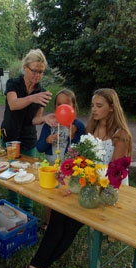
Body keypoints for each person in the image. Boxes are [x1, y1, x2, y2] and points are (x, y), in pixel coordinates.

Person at [5, 88, 133, 268]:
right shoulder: (91, 128)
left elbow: (114, 176)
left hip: (106, 194)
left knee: (69, 223)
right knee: (58, 215)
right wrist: (72, 177)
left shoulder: (121, 136)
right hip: (87, 185)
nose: (94, 110)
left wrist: (83, 180)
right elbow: (80, 159)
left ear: (111, 108)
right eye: (92, 105)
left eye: (99, 106)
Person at [0, 49, 55, 213]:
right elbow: (13, 104)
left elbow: (34, 119)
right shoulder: (13, 84)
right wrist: (32, 98)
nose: (38, 75)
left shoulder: (42, 92)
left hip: (28, 139)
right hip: (10, 136)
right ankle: (12, 207)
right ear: (25, 68)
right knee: (11, 173)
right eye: (35, 71)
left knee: (29, 175)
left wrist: (44, 119)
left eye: (41, 72)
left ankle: (27, 211)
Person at [36, 88, 85, 231]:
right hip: (51, 166)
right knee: (48, 196)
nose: (63, 107)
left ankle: (63, 225)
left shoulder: (78, 125)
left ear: (74, 107)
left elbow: (80, 154)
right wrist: (46, 140)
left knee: (65, 198)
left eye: (67, 104)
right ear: (55, 107)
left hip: (69, 170)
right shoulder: (50, 124)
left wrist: (73, 136)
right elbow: (39, 148)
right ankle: (49, 223)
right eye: (59, 104)